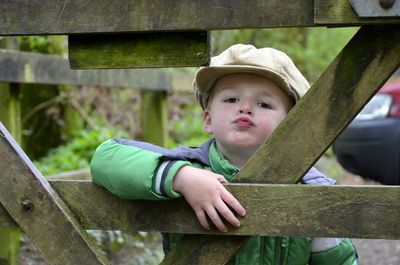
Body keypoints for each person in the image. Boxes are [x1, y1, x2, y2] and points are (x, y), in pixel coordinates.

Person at [90, 44, 358, 264]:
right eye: (231, 99)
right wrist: (181, 178)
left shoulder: (311, 189)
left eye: (264, 103)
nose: (245, 108)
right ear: (208, 120)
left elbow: (340, 260)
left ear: (291, 126)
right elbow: (106, 157)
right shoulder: (188, 166)